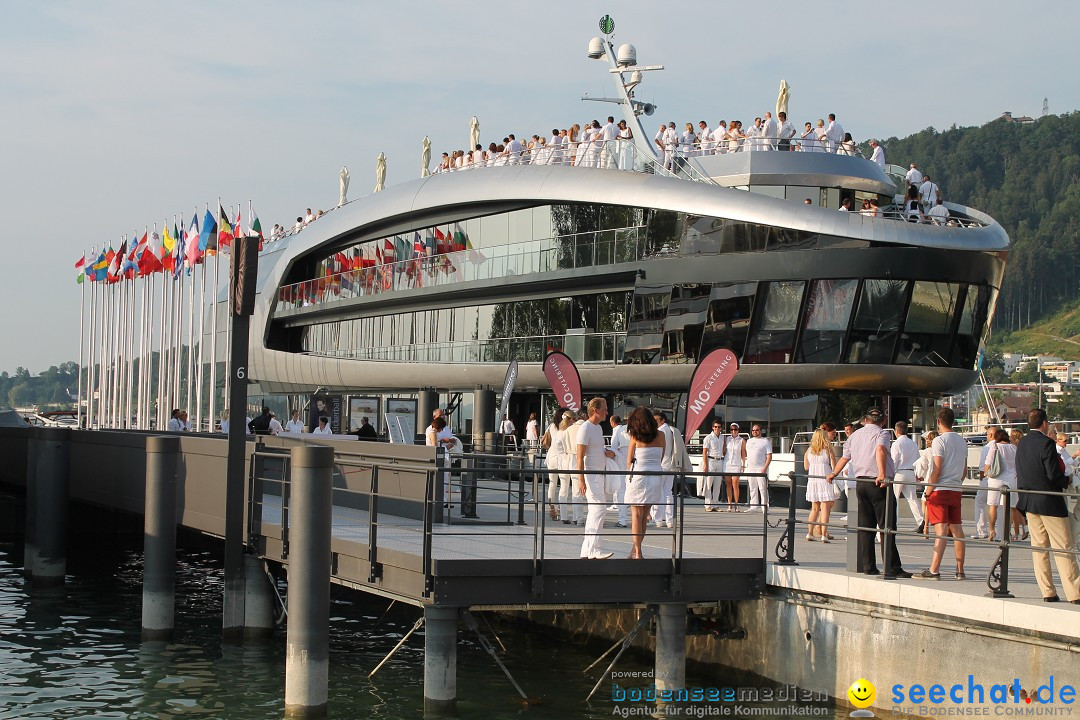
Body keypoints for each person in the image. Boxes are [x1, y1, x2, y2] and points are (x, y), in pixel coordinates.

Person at [828, 407, 913, 578]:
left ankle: (869, 566)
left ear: (865, 420)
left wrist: (833, 473)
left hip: (861, 483)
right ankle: (892, 566)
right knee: (887, 525)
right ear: (882, 421)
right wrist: (882, 473)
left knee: (866, 527)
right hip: (878, 482)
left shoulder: (854, 436)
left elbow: (845, 458)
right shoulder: (882, 434)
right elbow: (880, 450)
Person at [1016, 409, 1080, 602]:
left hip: (1029, 500)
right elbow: (1053, 475)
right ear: (1044, 423)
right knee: (1064, 547)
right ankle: (1075, 593)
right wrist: (1067, 480)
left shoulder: (1022, 443)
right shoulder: (1047, 444)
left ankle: (1048, 591)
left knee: (1039, 548)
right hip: (1049, 502)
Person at [914, 408, 968, 580]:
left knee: (941, 530)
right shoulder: (962, 442)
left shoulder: (939, 441)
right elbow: (964, 471)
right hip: (955, 489)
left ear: (938, 422)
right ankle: (960, 570)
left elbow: (936, 469)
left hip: (939, 489)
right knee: (957, 530)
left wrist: (928, 490)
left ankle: (934, 570)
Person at [576, 398, 617, 559]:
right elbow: (580, 457)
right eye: (605, 409)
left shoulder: (598, 428)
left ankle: (587, 549)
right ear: (595, 410)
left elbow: (594, 450)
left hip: (598, 473)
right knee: (599, 509)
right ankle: (594, 549)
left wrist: (607, 452)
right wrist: (581, 479)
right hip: (591, 474)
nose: (607, 412)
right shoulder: (585, 428)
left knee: (596, 510)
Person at [625, 407, 666, 559]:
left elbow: (629, 461)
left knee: (636, 514)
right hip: (655, 476)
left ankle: (638, 552)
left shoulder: (634, 436)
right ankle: (635, 550)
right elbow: (661, 456)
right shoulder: (661, 435)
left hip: (639, 475)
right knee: (645, 515)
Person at [804, 427, 840, 541]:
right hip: (825, 480)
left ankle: (810, 532)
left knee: (814, 509)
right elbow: (835, 467)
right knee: (825, 508)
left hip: (813, 481)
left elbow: (806, 467)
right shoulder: (828, 450)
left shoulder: (808, 451)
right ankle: (824, 534)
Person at [983, 428, 1017, 542]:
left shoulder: (995, 446)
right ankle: (1006, 532)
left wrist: (986, 473)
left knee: (993, 506)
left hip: (996, 478)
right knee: (1009, 507)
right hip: (1011, 479)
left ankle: (992, 530)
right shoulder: (1013, 447)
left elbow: (988, 462)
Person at [891, 421, 925, 532]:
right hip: (911, 472)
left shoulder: (896, 444)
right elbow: (918, 459)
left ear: (896, 431)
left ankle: (893, 523)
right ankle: (921, 521)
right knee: (912, 498)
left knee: (894, 498)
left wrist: (891, 473)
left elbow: (894, 460)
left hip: (899, 472)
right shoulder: (913, 443)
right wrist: (917, 474)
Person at [974, 426, 999, 539]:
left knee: (980, 503)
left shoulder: (987, 447)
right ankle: (1001, 531)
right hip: (1000, 479)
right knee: (999, 505)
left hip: (987, 479)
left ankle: (981, 530)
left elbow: (982, 466)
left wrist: (981, 479)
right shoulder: (1004, 446)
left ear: (990, 435)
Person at [652, 412, 676, 527]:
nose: (654, 422)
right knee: (668, 493)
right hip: (670, 465)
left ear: (662, 420)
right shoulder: (672, 430)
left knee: (658, 492)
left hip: (661, 464)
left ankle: (658, 519)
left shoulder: (660, 432)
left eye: (656, 420)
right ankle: (669, 520)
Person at [914, 430, 938, 538]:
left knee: (925, 502)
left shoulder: (928, 451)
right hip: (940, 479)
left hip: (929, 478)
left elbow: (922, 464)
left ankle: (925, 526)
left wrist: (919, 475)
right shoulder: (941, 450)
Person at [745, 424, 772, 512]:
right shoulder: (748, 441)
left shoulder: (765, 441)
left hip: (760, 468)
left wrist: (765, 467)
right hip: (750, 468)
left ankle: (765, 507)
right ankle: (753, 506)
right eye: (753, 430)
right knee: (752, 488)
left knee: (763, 488)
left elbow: (769, 456)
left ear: (760, 431)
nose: (755, 432)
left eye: (756, 430)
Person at [608, 415, 630, 527]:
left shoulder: (620, 430)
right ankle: (647, 517)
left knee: (622, 490)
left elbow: (613, 448)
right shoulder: (643, 429)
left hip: (623, 460)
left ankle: (622, 519)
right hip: (640, 461)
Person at [1010, 428, 1029, 540]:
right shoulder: (1023, 448)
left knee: (1014, 508)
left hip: (1013, 478)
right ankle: (1024, 528)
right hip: (1022, 478)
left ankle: (1016, 533)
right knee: (1019, 506)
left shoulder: (1012, 448)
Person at [702, 421, 725, 511]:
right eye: (715, 427)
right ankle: (707, 505)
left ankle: (715, 504)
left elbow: (723, 448)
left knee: (717, 484)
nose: (717, 428)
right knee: (708, 483)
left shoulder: (722, 437)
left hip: (720, 461)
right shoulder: (708, 438)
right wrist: (705, 465)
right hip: (711, 460)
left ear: (721, 428)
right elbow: (704, 452)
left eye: (718, 427)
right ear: (712, 427)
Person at [722, 422, 746, 511]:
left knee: (735, 484)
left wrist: (743, 465)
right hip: (727, 463)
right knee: (728, 484)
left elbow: (743, 453)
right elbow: (724, 450)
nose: (733, 431)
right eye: (732, 429)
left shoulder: (742, 440)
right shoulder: (726, 439)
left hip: (736, 463)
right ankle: (729, 505)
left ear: (738, 430)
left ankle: (736, 504)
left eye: (735, 429)